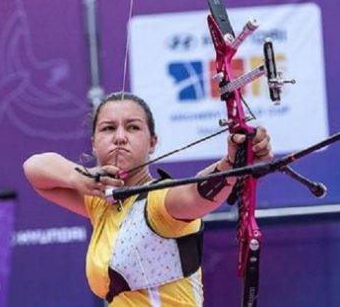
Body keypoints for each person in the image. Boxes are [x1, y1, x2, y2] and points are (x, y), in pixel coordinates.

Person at [23, 92, 272, 306]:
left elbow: (195, 194)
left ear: (152, 143)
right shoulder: (100, 203)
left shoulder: (158, 201)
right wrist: (78, 177)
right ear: (94, 144)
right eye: (108, 128)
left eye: (132, 127)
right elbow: (34, 168)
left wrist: (230, 165)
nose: (120, 137)